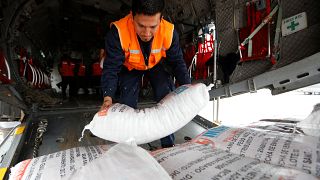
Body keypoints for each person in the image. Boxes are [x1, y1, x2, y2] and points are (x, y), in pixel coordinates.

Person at [100, 0, 191, 148]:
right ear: (132, 16)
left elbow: (177, 62)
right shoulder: (118, 32)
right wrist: (107, 97)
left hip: (155, 65)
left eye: (153, 27)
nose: (147, 33)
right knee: (127, 102)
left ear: (161, 19)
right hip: (130, 67)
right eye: (141, 25)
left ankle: (168, 145)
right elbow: (111, 68)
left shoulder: (169, 31)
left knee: (166, 96)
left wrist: (188, 87)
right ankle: (128, 147)